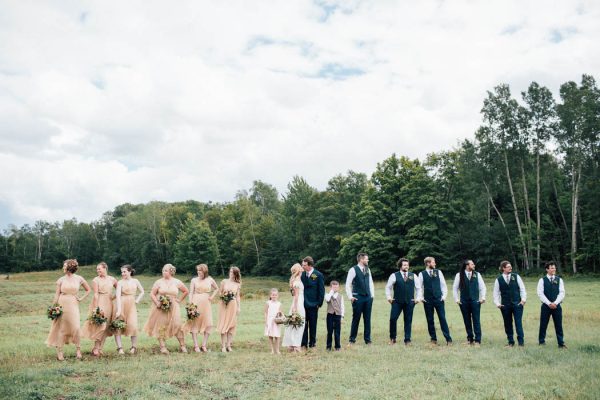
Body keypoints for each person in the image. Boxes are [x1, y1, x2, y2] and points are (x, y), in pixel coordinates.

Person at [46, 259, 91, 361]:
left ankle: (78, 350)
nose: (63, 267)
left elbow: (88, 290)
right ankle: (60, 352)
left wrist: (81, 298)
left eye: (64, 265)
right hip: (62, 303)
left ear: (70, 267)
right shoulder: (61, 280)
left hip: (73, 304)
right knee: (61, 328)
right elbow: (57, 294)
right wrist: (54, 307)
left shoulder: (79, 278)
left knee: (76, 327)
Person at [144, 263, 189, 354]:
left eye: (165, 270)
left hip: (174, 306)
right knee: (161, 325)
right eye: (163, 270)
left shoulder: (177, 281)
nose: (163, 272)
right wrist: (157, 302)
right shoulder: (158, 282)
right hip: (161, 306)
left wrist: (179, 300)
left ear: (171, 272)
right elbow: (152, 294)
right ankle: (163, 347)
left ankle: (182, 346)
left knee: (177, 324)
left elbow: (186, 291)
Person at [81, 262, 117, 356]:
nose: (98, 271)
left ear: (105, 268)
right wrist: (96, 308)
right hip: (100, 301)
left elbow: (119, 289)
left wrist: (114, 297)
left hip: (109, 303)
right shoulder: (95, 280)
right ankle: (96, 347)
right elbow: (96, 294)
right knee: (101, 325)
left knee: (106, 326)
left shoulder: (112, 279)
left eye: (99, 269)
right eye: (97, 269)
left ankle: (100, 348)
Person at [385, 258, 421, 345]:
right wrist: (389, 298)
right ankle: (393, 338)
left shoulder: (413, 275)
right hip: (397, 302)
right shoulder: (394, 275)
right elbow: (388, 287)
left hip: (410, 302)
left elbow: (418, 288)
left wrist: (418, 299)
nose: (406, 266)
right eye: (404, 265)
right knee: (393, 319)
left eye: (407, 265)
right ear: (400, 266)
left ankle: (407, 340)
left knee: (408, 320)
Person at [184, 264, 218, 352]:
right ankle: (196, 346)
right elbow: (191, 292)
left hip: (206, 304)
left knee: (208, 323)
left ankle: (204, 345)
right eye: (197, 270)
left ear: (205, 271)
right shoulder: (194, 280)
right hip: (196, 302)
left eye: (200, 270)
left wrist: (212, 297)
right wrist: (190, 305)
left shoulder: (210, 279)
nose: (198, 272)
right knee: (195, 323)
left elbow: (217, 289)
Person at [418, 257, 452, 345]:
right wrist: (421, 298)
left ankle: (448, 339)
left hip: (438, 299)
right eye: (433, 262)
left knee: (442, 318)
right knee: (430, 320)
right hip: (427, 300)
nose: (435, 264)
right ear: (428, 263)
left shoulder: (438, 272)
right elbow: (419, 287)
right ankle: (433, 339)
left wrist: (443, 297)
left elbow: (443, 285)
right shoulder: (422, 274)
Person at [493, 261, 527, 347]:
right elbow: (496, 293)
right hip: (505, 305)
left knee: (518, 323)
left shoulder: (516, 276)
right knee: (507, 324)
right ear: (503, 268)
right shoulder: (498, 279)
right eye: (508, 266)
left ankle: (521, 343)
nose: (510, 268)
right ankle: (511, 342)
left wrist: (523, 300)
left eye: (511, 266)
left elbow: (522, 288)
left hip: (517, 304)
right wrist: (498, 304)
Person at [453, 259, 486, 346]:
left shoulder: (477, 274)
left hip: (475, 301)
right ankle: (470, 339)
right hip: (463, 302)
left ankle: (478, 340)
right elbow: (455, 288)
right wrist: (457, 299)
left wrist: (482, 298)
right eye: (472, 264)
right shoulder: (459, 275)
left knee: (476, 320)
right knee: (467, 321)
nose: (474, 265)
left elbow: (482, 287)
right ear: (467, 265)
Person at [113, 264, 144, 354]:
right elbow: (118, 296)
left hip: (132, 305)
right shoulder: (120, 282)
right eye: (122, 272)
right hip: (122, 304)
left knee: (133, 325)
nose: (122, 273)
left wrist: (137, 300)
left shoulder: (135, 281)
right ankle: (120, 348)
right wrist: (118, 310)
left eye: (124, 272)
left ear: (130, 271)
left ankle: (133, 347)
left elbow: (142, 291)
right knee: (118, 326)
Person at [346, 252, 375, 345]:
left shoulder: (368, 269)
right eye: (366, 259)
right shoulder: (353, 270)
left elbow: (371, 282)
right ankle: (352, 339)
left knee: (367, 319)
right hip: (357, 297)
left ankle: (368, 340)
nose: (368, 260)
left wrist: (372, 295)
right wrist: (350, 297)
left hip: (368, 297)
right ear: (361, 259)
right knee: (356, 318)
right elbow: (348, 284)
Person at [537, 261, 566, 348]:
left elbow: (562, 293)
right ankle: (541, 342)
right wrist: (549, 303)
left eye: (554, 267)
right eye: (552, 268)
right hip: (546, 306)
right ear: (547, 269)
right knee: (543, 324)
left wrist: (555, 303)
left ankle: (561, 343)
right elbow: (540, 293)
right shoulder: (542, 280)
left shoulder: (559, 280)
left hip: (557, 306)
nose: (554, 269)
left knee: (559, 325)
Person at [301, 256, 325, 349]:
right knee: (303, 324)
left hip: (313, 304)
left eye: (304, 265)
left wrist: (319, 304)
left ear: (310, 265)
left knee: (313, 324)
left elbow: (321, 290)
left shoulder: (318, 275)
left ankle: (312, 343)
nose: (303, 266)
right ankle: (303, 344)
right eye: (302, 265)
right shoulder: (302, 274)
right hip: (303, 304)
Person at [216, 266, 242, 353]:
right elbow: (220, 292)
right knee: (224, 323)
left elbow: (237, 296)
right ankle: (223, 346)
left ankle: (229, 345)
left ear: (236, 274)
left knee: (232, 325)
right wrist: (223, 297)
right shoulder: (224, 281)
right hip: (224, 305)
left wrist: (239, 307)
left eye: (232, 272)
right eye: (230, 272)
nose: (230, 274)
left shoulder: (237, 284)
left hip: (233, 305)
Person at [282, 263, 305, 352]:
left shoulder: (297, 280)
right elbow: (296, 296)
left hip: (299, 302)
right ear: (299, 271)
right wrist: (295, 307)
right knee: (298, 324)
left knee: (294, 324)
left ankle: (292, 345)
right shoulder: (297, 282)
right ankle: (296, 346)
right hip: (298, 303)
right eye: (301, 270)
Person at [325, 280, 345, 351]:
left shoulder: (340, 296)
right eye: (334, 287)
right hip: (330, 315)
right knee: (330, 331)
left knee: (337, 332)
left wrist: (342, 316)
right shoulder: (328, 295)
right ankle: (328, 347)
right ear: (331, 287)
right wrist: (331, 292)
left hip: (338, 315)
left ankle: (338, 346)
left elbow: (342, 307)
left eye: (337, 287)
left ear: (338, 287)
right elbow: (327, 299)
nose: (335, 289)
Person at [264, 288, 282, 354]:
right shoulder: (268, 303)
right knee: (270, 335)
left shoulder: (279, 303)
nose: (274, 296)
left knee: (277, 336)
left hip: (276, 321)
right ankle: (272, 349)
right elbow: (265, 312)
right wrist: (266, 321)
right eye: (273, 295)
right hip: (270, 320)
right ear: (270, 295)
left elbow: (280, 312)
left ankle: (277, 350)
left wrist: (279, 314)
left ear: (278, 296)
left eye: (275, 295)